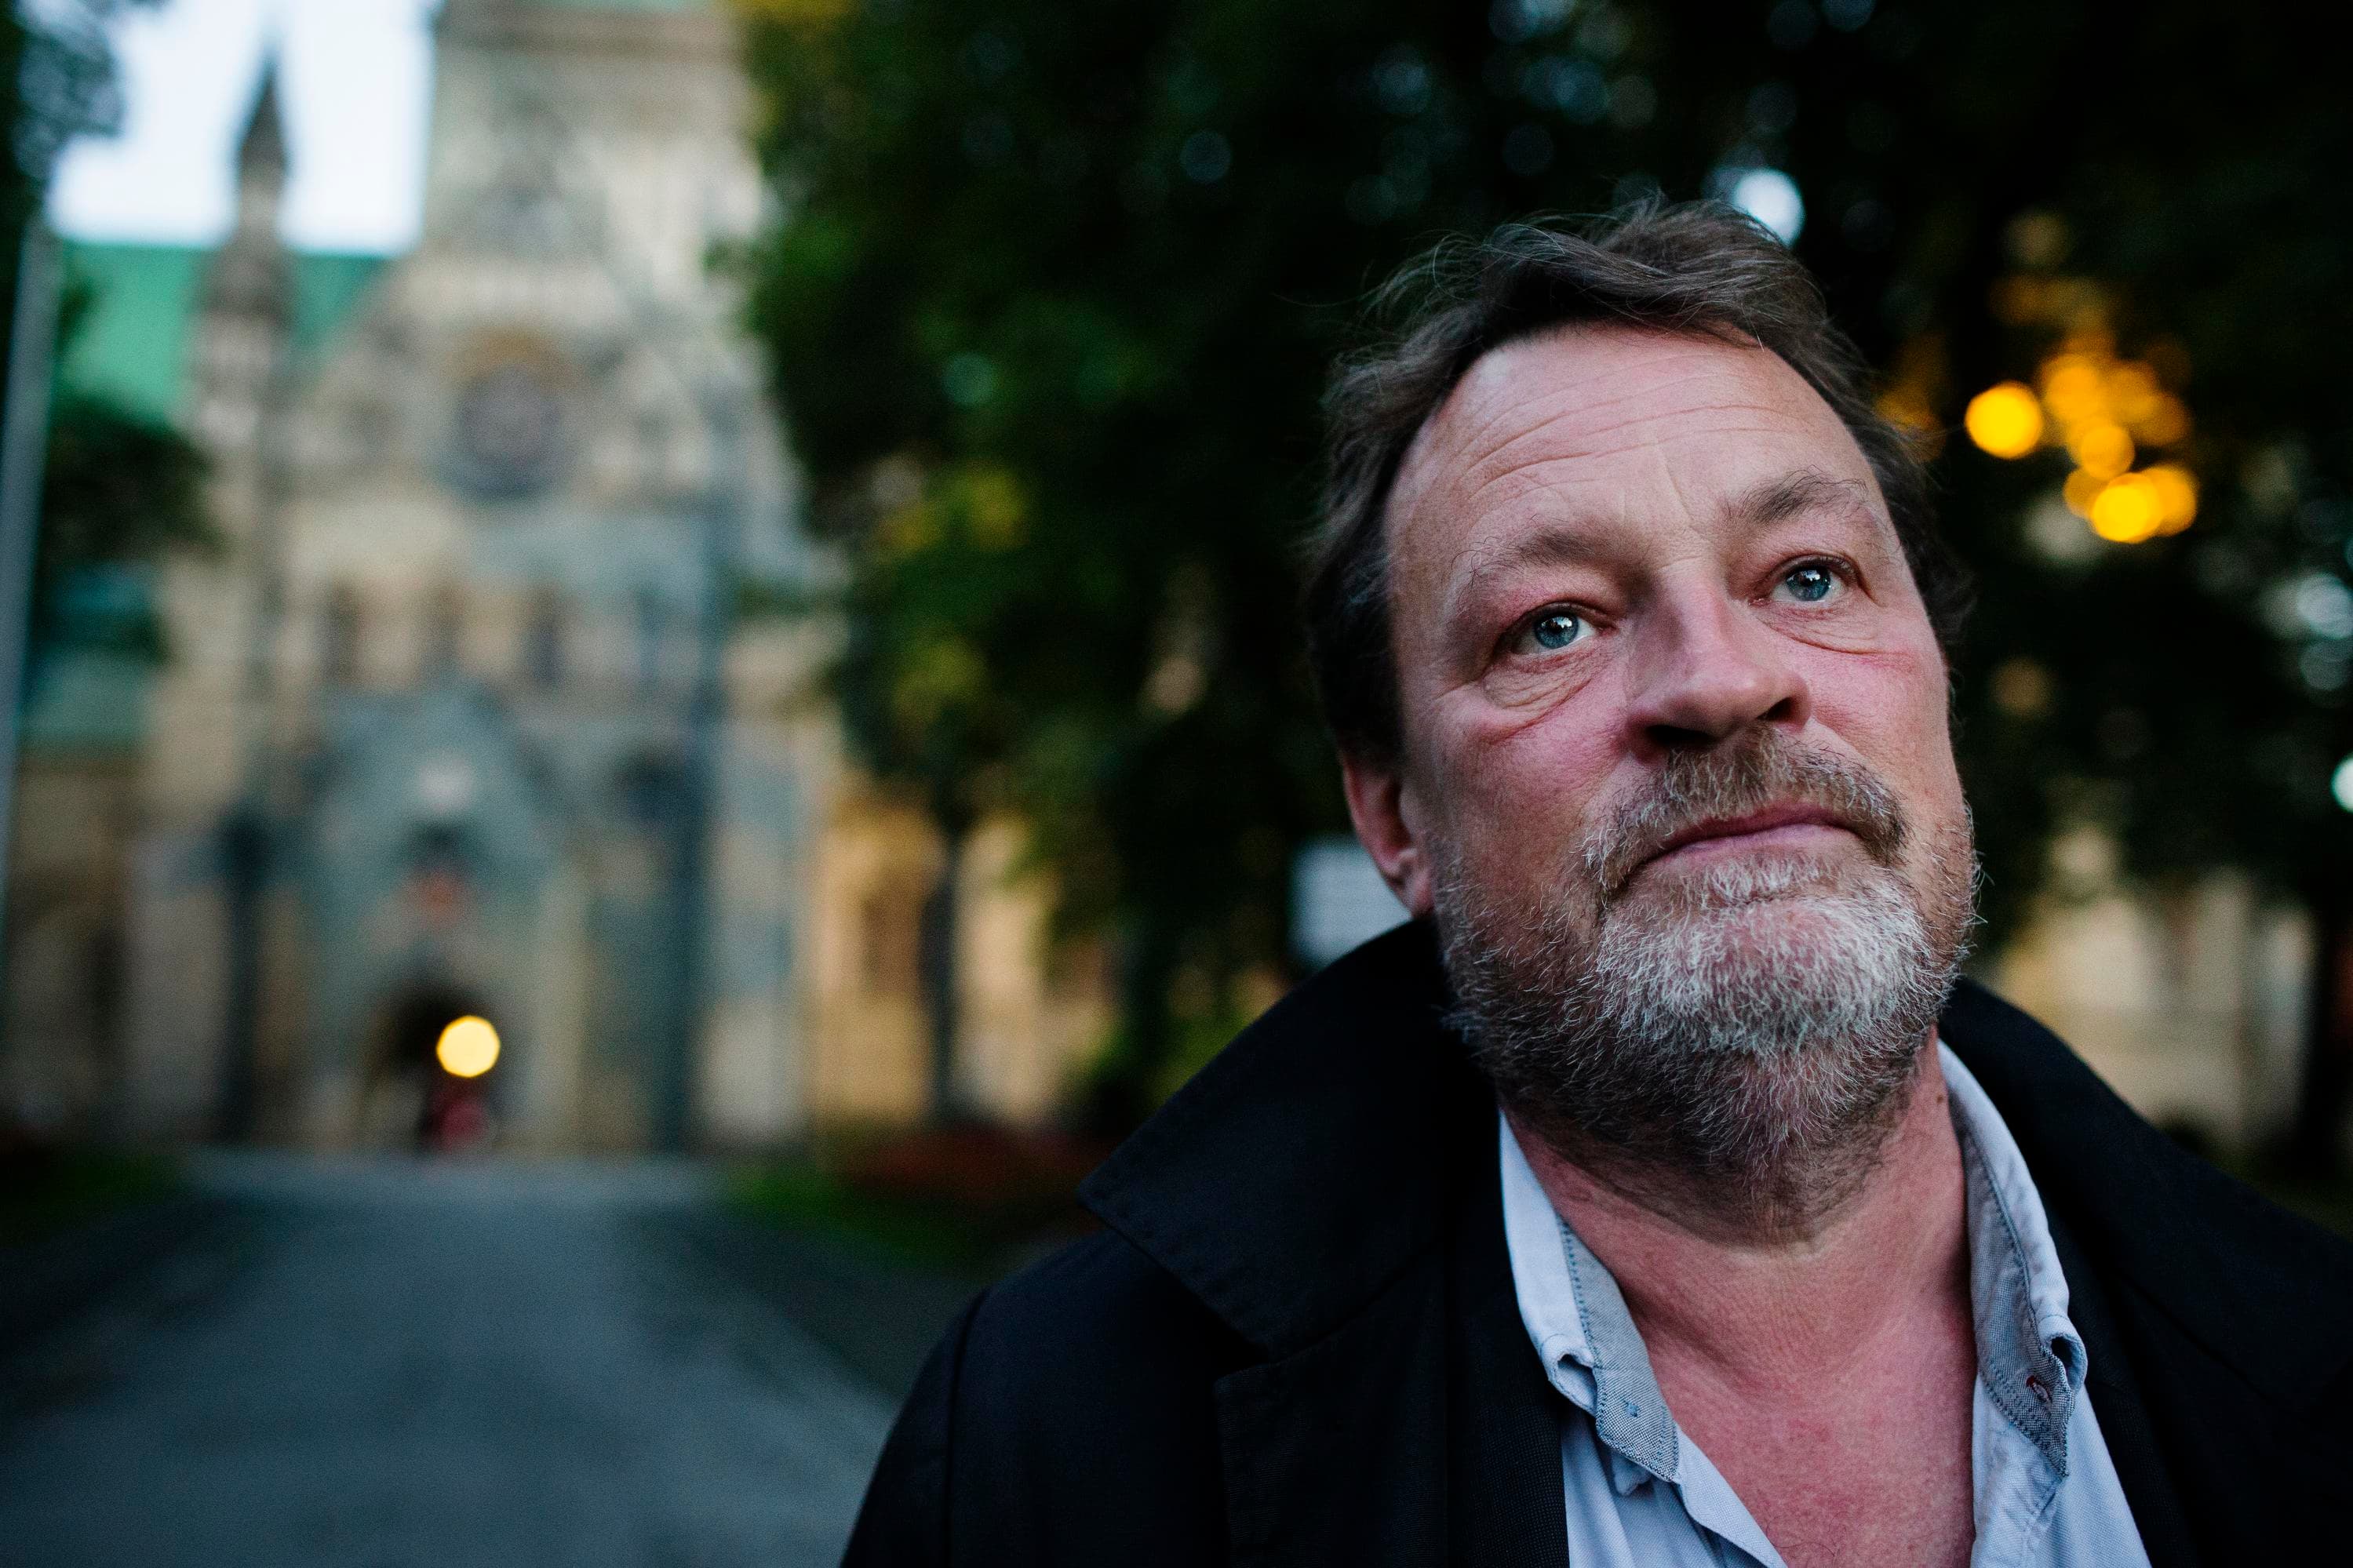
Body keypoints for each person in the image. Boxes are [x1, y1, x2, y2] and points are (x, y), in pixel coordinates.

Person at [840, 204, 2353, 1566]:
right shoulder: (1051, 1455)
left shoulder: (2320, 1354)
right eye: (1554, 623)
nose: (1724, 682)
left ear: (1939, 681)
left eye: (1809, 576)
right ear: (1396, 818)